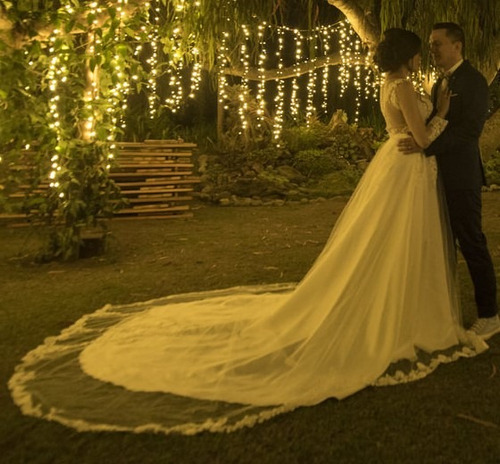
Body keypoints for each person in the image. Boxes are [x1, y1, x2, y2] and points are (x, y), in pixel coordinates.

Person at [8, 29, 488, 436]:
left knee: (396, 243)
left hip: (403, 168)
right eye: (421, 47)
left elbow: (414, 131)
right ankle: (402, 311)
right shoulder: (404, 85)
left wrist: (434, 109)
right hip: (407, 170)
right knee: (396, 242)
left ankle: (402, 303)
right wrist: (440, 111)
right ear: (409, 55)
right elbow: (423, 139)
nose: (426, 52)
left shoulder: (396, 81)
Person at [399, 22, 499, 339]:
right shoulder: (440, 83)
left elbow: (469, 132)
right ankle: (443, 309)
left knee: (471, 242)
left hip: (462, 176)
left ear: (457, 45)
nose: (432, 49)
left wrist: (425, 145)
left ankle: (490, 314)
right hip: (436, 174)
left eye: (437, 44)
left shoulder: (473, 81)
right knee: (441, 244)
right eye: (430, 44)